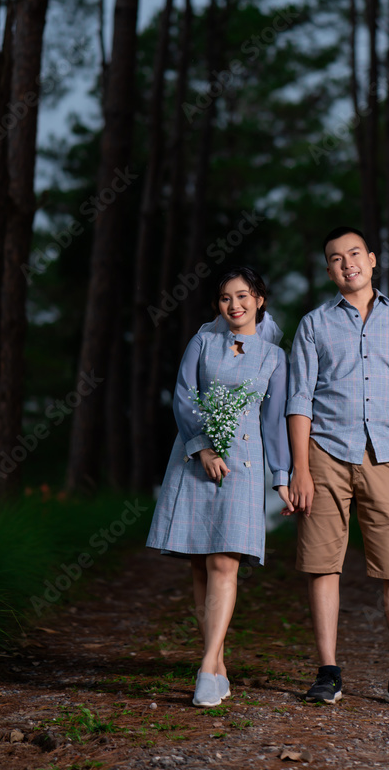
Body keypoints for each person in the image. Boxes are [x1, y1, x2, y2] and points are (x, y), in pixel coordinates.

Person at [285, 227, 389, 709]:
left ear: (372, 260)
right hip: (325, 456)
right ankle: (328, 672)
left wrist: (383, 415)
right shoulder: (313, 325)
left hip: (386, 457)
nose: (346, 263)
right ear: (329, 269)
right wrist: (300, 470)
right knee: (322, 566)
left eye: (355, 254)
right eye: (335, 258)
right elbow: (299, 399)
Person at [147, 267, 292, 708]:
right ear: (218, 306)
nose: (235, 305)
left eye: (244, 296)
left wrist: (281, 478)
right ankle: (218, 665)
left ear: (260, 299)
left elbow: (274, 421)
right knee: (199, 566)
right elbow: (184, 395)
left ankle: (206, 665)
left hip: (243, 469)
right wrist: (204, 447)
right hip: (193, 460)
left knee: (225, 563)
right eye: (226, 299)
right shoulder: (202, 342)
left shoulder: (274, 357)